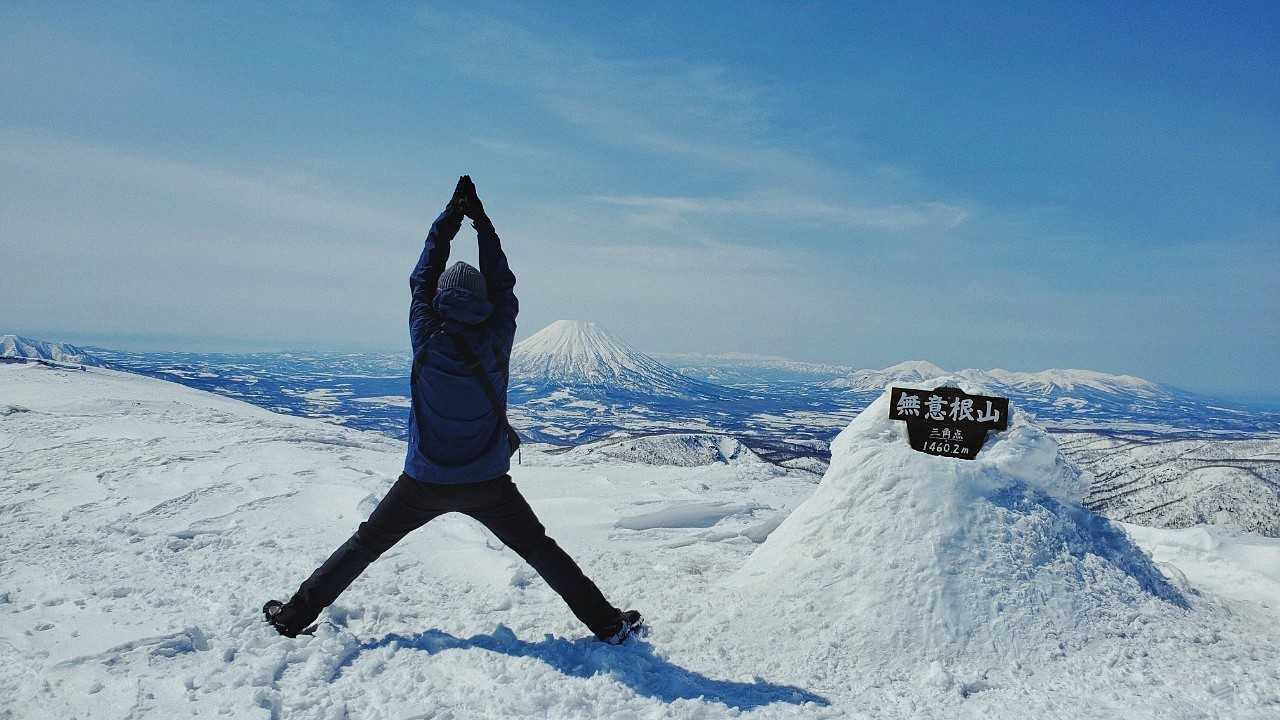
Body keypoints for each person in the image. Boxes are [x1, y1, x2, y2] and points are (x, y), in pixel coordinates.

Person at [263, 176, 642, 644]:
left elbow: (422, 277)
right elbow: (503, 284)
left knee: (365, 545)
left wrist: (449, 219)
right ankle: (608, 624)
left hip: (423, 481)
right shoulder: (497, 336)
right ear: (484, 301)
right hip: (487, 484)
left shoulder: (426, 333)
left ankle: (293, 616)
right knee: (541, 551)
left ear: (440, 298)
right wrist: (482, 224)